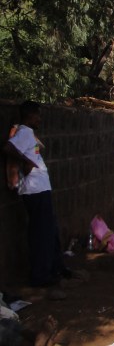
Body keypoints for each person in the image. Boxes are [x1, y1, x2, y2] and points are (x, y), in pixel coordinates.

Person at [3, 101, 70, 293]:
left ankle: (55, 268)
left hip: (40, 189)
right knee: (41, 234)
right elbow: (8, 148)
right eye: (37, 115)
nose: (40, 119)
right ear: (29, 116)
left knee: (49, 231)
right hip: (34, 190)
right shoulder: (24, 133)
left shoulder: (28, 133)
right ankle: (40, 276)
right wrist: (27, 161)